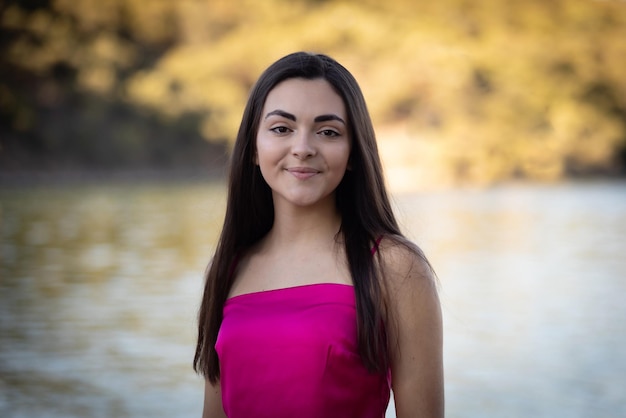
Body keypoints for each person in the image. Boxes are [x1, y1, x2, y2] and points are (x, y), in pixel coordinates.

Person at [193, 51, 443, 418]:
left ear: (354, 152)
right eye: (282, 128)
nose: (303, 148)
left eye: (328, 132)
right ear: (253, 148)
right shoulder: (231, 266)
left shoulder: (394, 267)